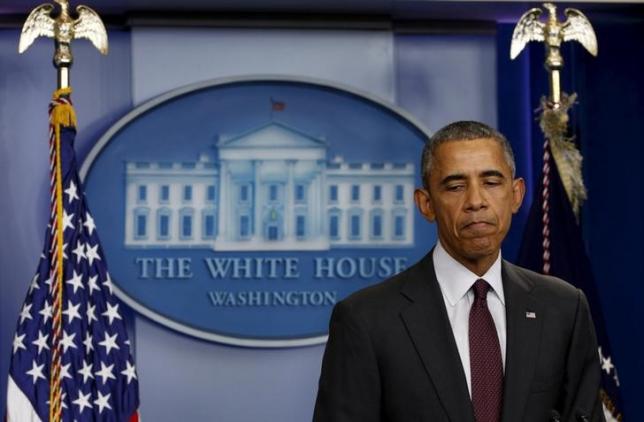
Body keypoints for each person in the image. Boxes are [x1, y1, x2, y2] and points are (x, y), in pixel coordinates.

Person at [313, 121, 604, 422]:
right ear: (426, 204)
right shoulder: (366, 319)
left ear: (516, 194)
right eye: (455, 186)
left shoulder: (563, 308)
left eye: (491, 182)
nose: (476, 202)